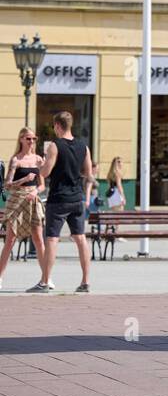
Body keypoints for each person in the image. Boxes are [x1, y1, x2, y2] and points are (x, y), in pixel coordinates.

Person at [30, 110, 92, 294]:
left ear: (58, 126)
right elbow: (88, 173)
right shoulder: (84, 146)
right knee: (80, 238)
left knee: (52, 239)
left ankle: (45, 281)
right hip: (77, 197)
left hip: (58, 199)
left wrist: (39, 166)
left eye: (54, 126)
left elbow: (46, 171)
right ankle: (85, 281)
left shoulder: (55, 146)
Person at [0, 128, 46, 290]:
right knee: (10, 240)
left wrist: (35, 190)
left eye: (34, 138)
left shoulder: (38, 159)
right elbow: (7, 185)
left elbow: (42, 185)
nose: (32, 141)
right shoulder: (16, 160)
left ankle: (46, 278)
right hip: (17, 199)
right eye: (28, 138)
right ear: (21, 139)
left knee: (39, 239)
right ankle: (0, 277)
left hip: (33, 199)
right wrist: (25, 179)